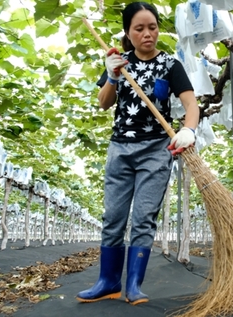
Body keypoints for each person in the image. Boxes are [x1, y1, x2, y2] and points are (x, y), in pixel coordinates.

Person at [76, 2, 199, 305]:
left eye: (152, 27)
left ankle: (133, 285)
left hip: (156, 151)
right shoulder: (119, 62)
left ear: (158, 29)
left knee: (144, 218)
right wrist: (113, 77)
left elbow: (190, 104)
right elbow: (104, 103)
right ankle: (107, 282)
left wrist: (189, 130)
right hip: (120, 149)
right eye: (139, 28)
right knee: (113, 217)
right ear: (128, 33)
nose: (147, 34)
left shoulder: (171, 65)